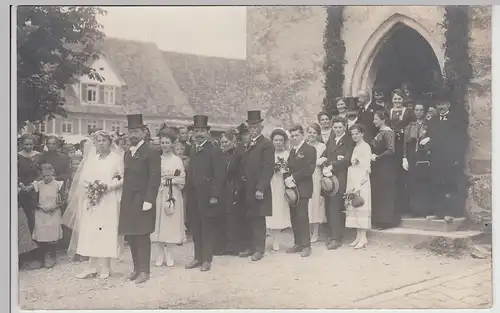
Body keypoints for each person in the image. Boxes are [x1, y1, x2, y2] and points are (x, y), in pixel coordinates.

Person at [66, 131, 125, 279]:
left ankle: (105, 266)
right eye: (98, 141)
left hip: (108, 199)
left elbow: (122, 177)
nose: (101, 143)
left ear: (110, 142)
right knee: (91, 230)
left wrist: (108, 186)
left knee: (105, 229)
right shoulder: (92, 159)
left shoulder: (116, 158)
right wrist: (91, 188)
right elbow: (84, 178)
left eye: (104, 140)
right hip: (92, 198)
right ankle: (91, 266)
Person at [118, 114, 161, 284]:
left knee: (142, 235)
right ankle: (136, 269)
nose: (133, 135)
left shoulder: (151, 152)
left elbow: (154, 177)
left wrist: (149, 199)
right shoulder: (128, 153)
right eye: (130, 132)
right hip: (129, 200)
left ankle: (145, 271)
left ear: (144, 132)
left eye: (136, 131)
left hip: (143, 199)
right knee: (132, 235)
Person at [184, 115, 225, 272]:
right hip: (194, 195)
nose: (199, 134)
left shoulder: (214, 150)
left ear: (207, 132)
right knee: (196, 226)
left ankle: (207, 259)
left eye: (202, 131)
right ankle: (197, 257)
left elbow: (219, 175)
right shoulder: (194, 148)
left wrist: (215, 195)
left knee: (207, 227)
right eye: (196, 131)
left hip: (208, 196)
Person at [237, 111, 274, 262]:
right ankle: (250, 246)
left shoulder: (266, 144)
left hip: (258, 189)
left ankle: (259, 249)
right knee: (248, 217)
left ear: (261, 126)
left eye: (256, 126)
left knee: (259, 218)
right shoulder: (247, 144)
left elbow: (268, 168)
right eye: (250, 126)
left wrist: (261, 188)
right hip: (246, 188)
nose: (253, 129)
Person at [425, 98, 465, 221]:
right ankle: (439, 212)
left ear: (448, 104)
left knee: (449, 185)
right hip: (436, 157)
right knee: (437, 184)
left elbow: (460, 139)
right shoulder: (433, 120)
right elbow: (430, 137)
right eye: (438, 104)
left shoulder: (456, 120)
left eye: (443, 103)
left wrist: (457, 157)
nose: (441, 107)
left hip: (450, 158)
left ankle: (450, 212)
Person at [151, 128, 186, 267]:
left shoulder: (177, 160)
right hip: (159, 193)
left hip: (173, 194)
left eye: (167, 142)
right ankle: (159, 254)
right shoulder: (157, 159)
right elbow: (153, 176)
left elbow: (182, 178)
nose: (164, 145)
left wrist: (169, 180)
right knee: (159, 222)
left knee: (170, 222)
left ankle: (169, 254)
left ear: (172, 144)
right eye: (162, 142)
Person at [320, 116, 354, 249]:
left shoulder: (348, 140)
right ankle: (332, 234)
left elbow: (348, 159)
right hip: (328, 177)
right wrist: (323, 162)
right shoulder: (332, 139)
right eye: (335, 127)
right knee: (329, 206)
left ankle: (336, 238)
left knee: (335, 206)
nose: (338, 129)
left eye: (340, 127)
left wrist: (333, 165)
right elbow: (325, 154)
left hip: (340, 177)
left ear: (345, 126)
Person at [23, 164, 65, 268]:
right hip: (41, 211)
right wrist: (40, 206)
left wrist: (55, 206)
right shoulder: (38, 184)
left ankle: (51, 256)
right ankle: (41, 258)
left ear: (52, 173)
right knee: (41, 234)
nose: (46, 178)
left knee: (52, 235)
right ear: (40, 175)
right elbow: (33, 199)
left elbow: (63, 200)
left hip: (54, 211)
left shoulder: (58, 184)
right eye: (43, 176)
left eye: (48, 175)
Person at [285, 125, 316, 257]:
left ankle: (306, 245)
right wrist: (287, 177)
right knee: (294, 216)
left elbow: (309, 169)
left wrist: (294, 177)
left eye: (297, 135)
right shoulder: (292, 151)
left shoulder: (310, 149)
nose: (294, 138)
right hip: (292, 189)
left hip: (303, 188)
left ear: (302, 135)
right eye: (292, 136)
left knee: (302, 216)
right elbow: (288, 167)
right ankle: (298, 243)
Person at [345, 124, 372, 249]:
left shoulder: (365, 147)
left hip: (362, 181)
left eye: (357, 133)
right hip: (353, 178)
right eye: (353, 134)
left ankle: (363, 237)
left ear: (362, 133)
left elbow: (365, 167)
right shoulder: (356, 147)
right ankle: (358, 236)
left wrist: (359, 185)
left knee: (361, 206)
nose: (355, 136)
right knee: (354, 207)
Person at [402, 102, 432, 217]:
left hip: (424, 156)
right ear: (414, 112)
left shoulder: (428, 125)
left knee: (423, 182)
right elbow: (405, 143)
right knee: (412, 183)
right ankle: (414, 210)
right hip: (412, 157)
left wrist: (429, 139)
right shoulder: (410, 126)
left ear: (424, 112)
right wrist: (404, 157)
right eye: (417, 110)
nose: (419, 112)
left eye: (421, 110)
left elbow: (433, 138)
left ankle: (424, 209)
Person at [371, 110, 398, 229]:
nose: (374, 121)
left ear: (383, 120)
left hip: (386, 166)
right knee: (379, 192)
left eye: (376, 119)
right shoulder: (380, 132)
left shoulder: (388, 133)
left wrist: (378, 157)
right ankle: (379, 220)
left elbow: (391, 150)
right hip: (379, 166)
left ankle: (387, 220)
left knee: (385, 192)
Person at [388, 89, 414, 216]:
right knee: (393, 176)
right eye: (395, 98)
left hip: (404, 144)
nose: (397, 101)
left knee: (404, 176)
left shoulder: (408, 112)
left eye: (399, 98)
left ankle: (406, 207)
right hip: (392, 144)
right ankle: (394, 207)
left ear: (403, 99)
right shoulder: (389, 111)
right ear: (392, 100)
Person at [215, 130, 240, 255]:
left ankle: (232, 246)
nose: (224, 144)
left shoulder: (236, 154)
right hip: (221, 188)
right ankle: (221, 246)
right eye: (222, 142)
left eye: (226, 142)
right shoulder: (218, 155)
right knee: (221, 215)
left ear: (232, 142)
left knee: (231, 216)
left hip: (232, 186)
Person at [266, 128, 291, 252]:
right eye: (276, 140)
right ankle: (267, 237)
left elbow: (291, 168)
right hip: (270, 183)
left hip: (281, 184)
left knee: (279, 211)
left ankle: (276, 241)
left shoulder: (287, 154)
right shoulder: (268, 153)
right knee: (268, 210)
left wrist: (284, 170)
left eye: (281, 140)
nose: (278, 142)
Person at [305, 123, 326, 243]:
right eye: (310, 132)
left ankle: (316, 232)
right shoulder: (304, 146)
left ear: (318, 135)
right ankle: (307, 231)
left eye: (314, 133)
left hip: (317, 176)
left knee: (316, 203)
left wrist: (320, 162)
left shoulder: (322, 147)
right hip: (305, 177)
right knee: (306, 204)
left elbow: (325, 161)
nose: (311, 135)